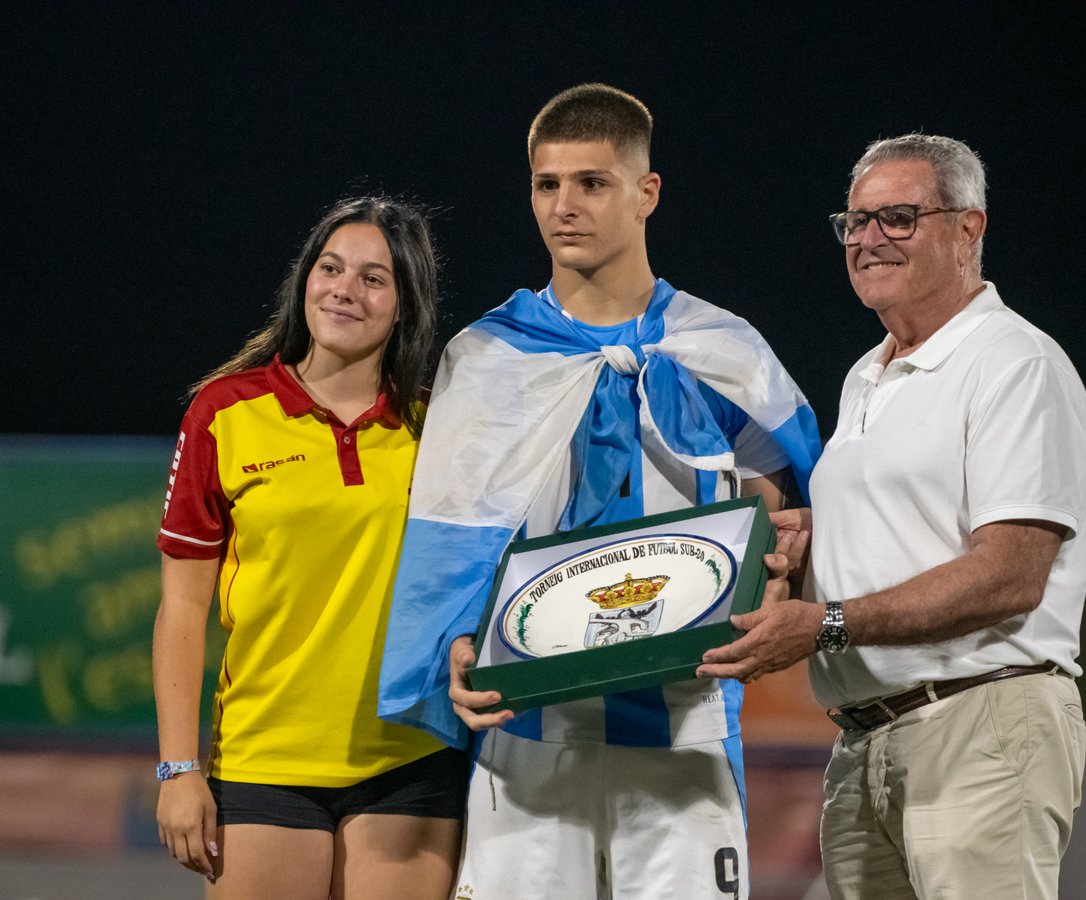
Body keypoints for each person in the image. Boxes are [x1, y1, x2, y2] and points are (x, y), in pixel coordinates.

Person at [377, 84, 822, 899]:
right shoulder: (487, 358)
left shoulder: (723, 349)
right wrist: (454, 648)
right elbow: (450, 540)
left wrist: (781, 570)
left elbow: (776, 516)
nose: (564, 207)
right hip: (530, 732)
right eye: (547, 185)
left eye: (592, 182)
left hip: (685, 723)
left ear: (646, 192)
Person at [699, 133, 1086, 898]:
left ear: (969, 228)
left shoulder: (1015, 364)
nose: (869, 239)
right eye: (855, 221)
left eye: (900, 218)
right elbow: (899, 540)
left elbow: (1011, 574)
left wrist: (827, 623)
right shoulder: (867, 374)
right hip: (862, 740)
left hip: (979, 720)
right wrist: (809, 551)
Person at [152, 196, 468, 899]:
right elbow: (180, 608)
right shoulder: (225, 412)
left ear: (405, 304)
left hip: (411, 763)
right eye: (330, 268)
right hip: (267, 761)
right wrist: (179, 770)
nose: (344, 289)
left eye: (373, 278)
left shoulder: (439, 422)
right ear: (304, 280)